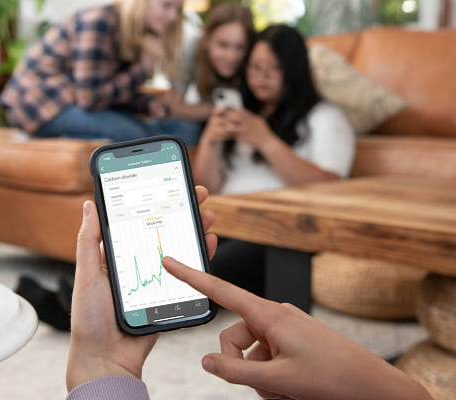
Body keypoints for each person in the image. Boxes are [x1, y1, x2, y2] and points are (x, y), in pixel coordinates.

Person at [65, 192, 433, 400]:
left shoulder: (317, 121)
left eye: (268, 68)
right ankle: (63, 299)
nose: (258, 76)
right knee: (207, 248)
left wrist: (100, 367)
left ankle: (61, 301)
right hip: (237, 212)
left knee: (224, 252)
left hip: (269, 220)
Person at [192, 24, 356, 295]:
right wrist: (211, 139)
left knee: (207, 270)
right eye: (255, 67)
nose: (261, 76)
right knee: (180, 257)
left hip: (277, 231)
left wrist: (266, 141)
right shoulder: (243, 113)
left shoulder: (324, 117)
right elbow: (208, 187)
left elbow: (331, 186)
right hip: (227, 220)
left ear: (293, 70)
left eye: (273, 67)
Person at [0, 0, 184, 143]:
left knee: (156, 135)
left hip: (74, 102)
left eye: (178, 9)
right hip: (40, 106)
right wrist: (142, 69)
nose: (173, 16)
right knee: (133, 134)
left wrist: (147, 104)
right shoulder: (100, 21)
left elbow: (109, 89)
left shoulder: (135, 33)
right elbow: (91, 97)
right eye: (166, 5)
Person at [147, 2, 255, 145]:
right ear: (205, 39)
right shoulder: (190, 49)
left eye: (239, 47)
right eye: (223, 45)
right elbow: (171, 107)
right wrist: (217, 110)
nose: (231, 56)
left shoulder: (252, 63)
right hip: (207, 122)